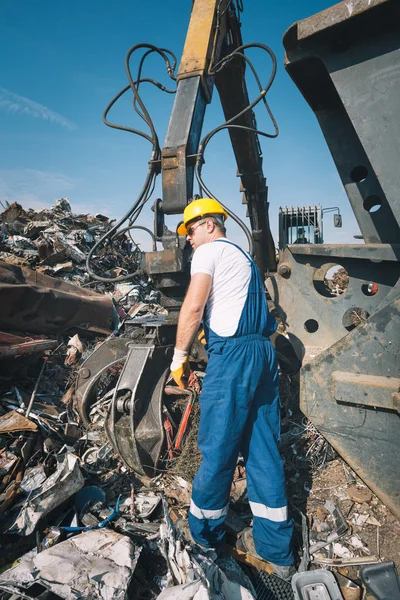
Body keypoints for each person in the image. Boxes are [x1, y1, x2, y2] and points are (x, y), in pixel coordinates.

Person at [170, 198, 294, 578]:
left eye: (190, 230)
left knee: (218, 447)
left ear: (209, 224)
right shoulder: (244, 259)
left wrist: (179, 357)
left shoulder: (208, 254)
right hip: (261, 352)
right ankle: (278, 552)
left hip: (235, 357)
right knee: (263, 449)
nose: (188, 239)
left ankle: (204, 539)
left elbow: (193, 307)